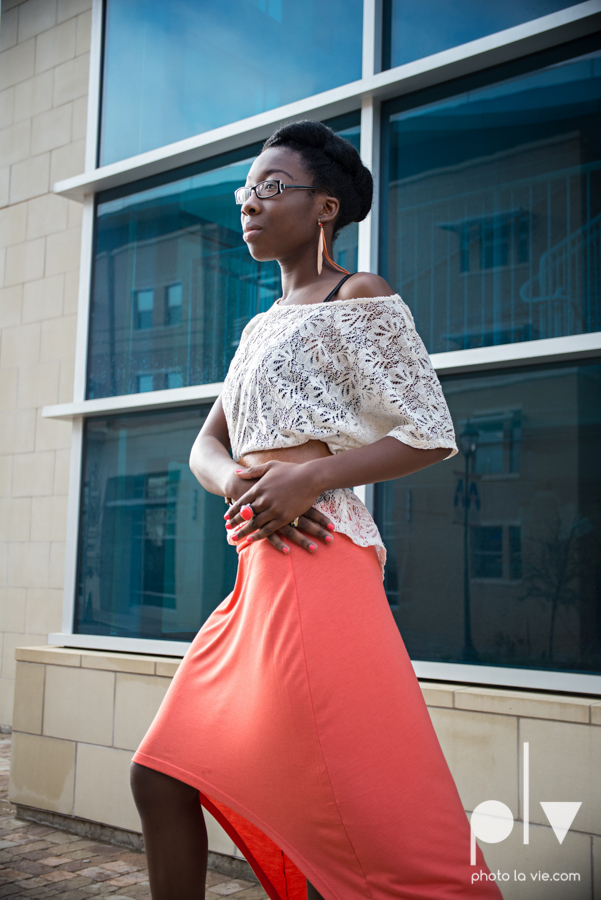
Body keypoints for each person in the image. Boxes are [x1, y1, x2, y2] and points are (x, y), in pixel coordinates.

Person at [130, 120, 503, 900]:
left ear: (325, 206)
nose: (250, 204)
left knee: (353, 806)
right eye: (245, 192)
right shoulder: (257, 327)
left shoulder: (359, 295)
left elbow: (430, 434)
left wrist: (310, 479)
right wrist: (237, 481)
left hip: (316, 558)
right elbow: (206, 446)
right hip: (256, 571)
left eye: (271, 188)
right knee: (163, 775)